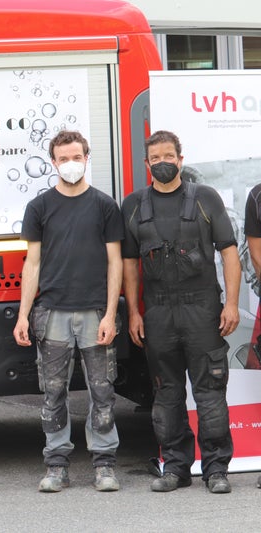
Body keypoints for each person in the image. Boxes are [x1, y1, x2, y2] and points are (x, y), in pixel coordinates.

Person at [122, 130, 240, 494]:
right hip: (158, 314)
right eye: (155, 158)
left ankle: (216, 470)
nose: (162, 163)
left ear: (180, 159)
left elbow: (230, 252)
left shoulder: (205, 197)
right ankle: (175, 468)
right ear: (146, 163)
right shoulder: (134, 205)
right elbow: (129, 265)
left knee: (210, 393)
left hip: (202, 310)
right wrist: (134, 312)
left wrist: (231, 304)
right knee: (166, 395)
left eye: (168, 156)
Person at [13, 130, 123, 493]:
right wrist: (23, 315)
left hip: (94, 312)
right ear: (53, 162)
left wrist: (110, 314)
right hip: (53, 313)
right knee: (53, 392)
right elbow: (32, 264)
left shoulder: (105, 206)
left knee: (102, 391)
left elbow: (115, 262)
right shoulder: (39, 207)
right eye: (63, 159)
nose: (70, 164)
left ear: (87, 158)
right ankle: (56, 465)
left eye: (76, 157)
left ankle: (104, 465)